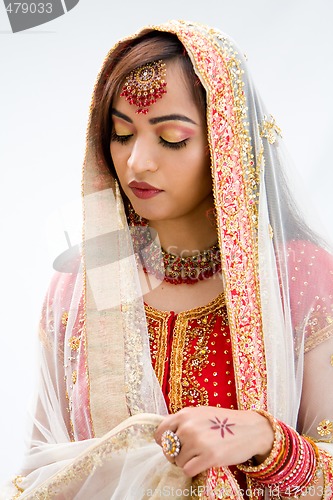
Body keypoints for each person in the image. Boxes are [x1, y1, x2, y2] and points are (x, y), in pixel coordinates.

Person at [3, 20, 333, 499]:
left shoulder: (295, 277)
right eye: (120, 134)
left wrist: (265, 439)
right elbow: (45, 471)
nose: (137, 161)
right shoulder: (86, 283)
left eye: (171, 137)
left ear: (228, 142)